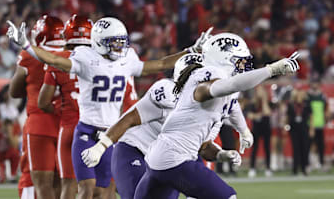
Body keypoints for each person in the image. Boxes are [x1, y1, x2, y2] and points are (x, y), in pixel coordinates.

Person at [6, 17, 213, 199]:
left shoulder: (127, 60)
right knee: (86, 189)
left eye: (121, 42)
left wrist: (191, 50)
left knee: (105, 191)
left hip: (112, 135)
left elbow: (159, 64)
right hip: (86, 133)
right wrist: (26, 45)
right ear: (98, 42)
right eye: (113, 43)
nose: (118, 47)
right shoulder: (85, 59)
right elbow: (53, 59)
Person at [132, 33, 300, 199]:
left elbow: (203, 145)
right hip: (174, 159)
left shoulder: (216, 94)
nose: (243, 68)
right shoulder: (206, 81)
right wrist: (272, 69)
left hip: (161, 160)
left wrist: (222, 154)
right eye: (239, 62)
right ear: (223, 60)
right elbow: (232, 84)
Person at [81, 53, 242, 199]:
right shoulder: (167, 92)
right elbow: (128, 119)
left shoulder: (209, 107)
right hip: (134, 150)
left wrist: (221, 154)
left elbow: (203, 147)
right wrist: (101, 146)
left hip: (166, 162)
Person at [9, 15, 64, 199]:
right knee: (63, 182)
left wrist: (33, 85)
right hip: (67, 122)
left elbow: (14, 91)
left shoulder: (30, 54)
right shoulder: (72, 55)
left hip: (40, 123)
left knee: (41, 184)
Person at [37, 14, 92, 199]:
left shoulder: (58, 59)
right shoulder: (101, 59)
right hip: (97, 128)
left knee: (68, 184)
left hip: (70, 127)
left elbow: (43, 102)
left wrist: (62, 108)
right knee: (102, 187)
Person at [247, 85, 273, 177]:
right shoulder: (253, 103)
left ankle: (268, 168)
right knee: (254, 149)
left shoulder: (267, 102)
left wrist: (264, 100)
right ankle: (252, 168)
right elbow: (249, 115)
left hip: (266, 128)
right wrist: (256, 116)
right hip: (256, 128)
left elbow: (268, 112)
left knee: (267, 148)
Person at [287, 89, 311, 175]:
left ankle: (304, 169)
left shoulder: (306, 104)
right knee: (295, 149)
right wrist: (286, 126)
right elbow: (288, 117)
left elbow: (311, 116)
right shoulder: (291, 105)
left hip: (304, 128)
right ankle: (295, 170)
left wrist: (312, 129)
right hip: (294, 129)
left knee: (304, 148)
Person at [308, 79, 328, 170]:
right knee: (311, 144)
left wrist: (326, 117)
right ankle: (312, 163)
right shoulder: (308, 96)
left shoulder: (322, 96)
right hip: (310, 124)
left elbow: (326, 109)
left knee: (321, 145)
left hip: (320, 123)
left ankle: (320, 163)